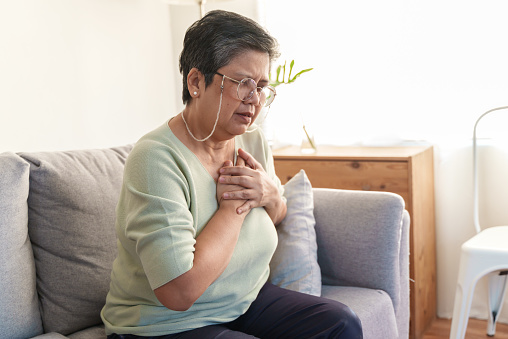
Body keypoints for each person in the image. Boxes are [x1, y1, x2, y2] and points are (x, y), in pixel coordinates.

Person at [101, 10, 363, 339]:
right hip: (165, 324)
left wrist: (269, 193)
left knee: (341, 323)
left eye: (262, 86)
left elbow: (278, 215)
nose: (254, 100)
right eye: (242, 83)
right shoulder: (156, 158)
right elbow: (179, 293)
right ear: (196, 82)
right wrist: (234, 206)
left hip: (243, 301)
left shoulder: (251, 139)